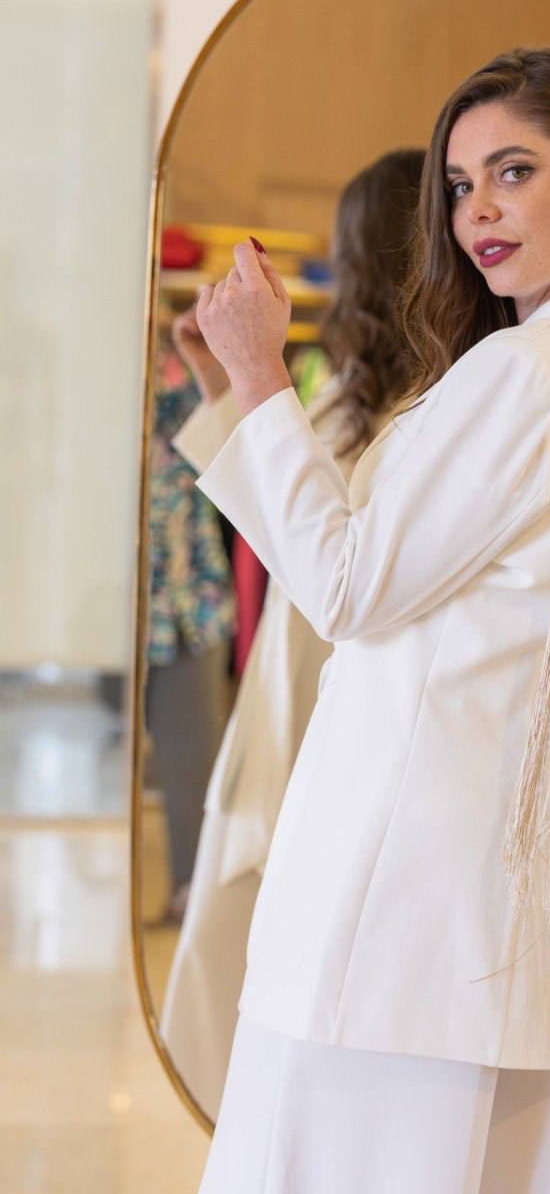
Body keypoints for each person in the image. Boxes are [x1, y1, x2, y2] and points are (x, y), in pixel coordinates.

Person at [193, 49, 550, 1193]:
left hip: (400, 920)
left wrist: (259, 370)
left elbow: (347, 584)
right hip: (526, 921)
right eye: (462, 186)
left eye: (514, 171)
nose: (479, 214)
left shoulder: (533, 367)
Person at [158, 148, 426, 1120]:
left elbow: (319, 542)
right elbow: (283, 502)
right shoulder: (356, 388)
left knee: (262, 965)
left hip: (332, 693)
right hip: (291, 681)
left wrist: (250, 376)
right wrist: (223, 378)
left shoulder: (426, 404)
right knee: (229, 962)